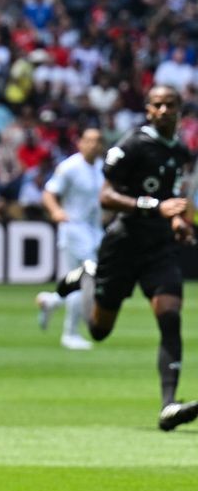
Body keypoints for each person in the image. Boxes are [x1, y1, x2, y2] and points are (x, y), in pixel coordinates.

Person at [55, 86, 198, 431]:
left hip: (159, 247)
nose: (163, 110)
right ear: (148, 110)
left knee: (170, 316)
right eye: (157, 104)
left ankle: (168, 405)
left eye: (170, 105)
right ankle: (88, 275)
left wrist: (178, 220)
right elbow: (106, 197)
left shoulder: (180, 151)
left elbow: (174, 196)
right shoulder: (132, 144)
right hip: (124, 242)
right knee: (100, 330)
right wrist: (154, 207)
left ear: (180, 111)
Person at [36, 127, 105, 350]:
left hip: (94, 230)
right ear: (81, 143)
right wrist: (56, 211)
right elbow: (49, 192)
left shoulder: (101, 168)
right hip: (74, 228)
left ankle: (51, 301)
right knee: (86, 278)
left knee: (80, 279)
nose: (94, 145)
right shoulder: (70, 167)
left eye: (98, 141)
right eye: (90, 140)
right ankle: (70, 333)